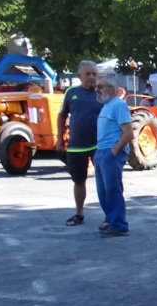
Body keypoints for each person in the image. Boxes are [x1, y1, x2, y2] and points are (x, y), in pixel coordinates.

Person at [56, 60, 102, 227]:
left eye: (94, 74)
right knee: (78, 181)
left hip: (99, 146)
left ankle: (109, 216)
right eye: (87, 74)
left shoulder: (103, 93)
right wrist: (60, 139)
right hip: (76, 146)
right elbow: (61, 116)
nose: (91, 77)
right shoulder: (71, 92)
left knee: (104, 181)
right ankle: (79, 213)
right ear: (79, 76)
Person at [93, 74, 134, 237]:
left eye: (100, 86)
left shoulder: (118, 105)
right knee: (103, 191)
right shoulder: (107, 105)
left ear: (112, 89)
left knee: (112, 190)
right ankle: (111, 220)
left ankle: (119, 225)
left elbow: (128, 133)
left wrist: (114, 151)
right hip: (102, 151)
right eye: (96, 86)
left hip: (110, 153)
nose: (97, 89)